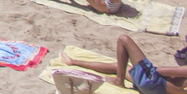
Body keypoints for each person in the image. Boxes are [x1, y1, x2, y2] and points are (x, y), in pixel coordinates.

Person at [59, 35, 187, 93]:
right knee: (119, 67)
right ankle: (73, 61)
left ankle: (119, 80)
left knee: (123, 39)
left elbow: (163, 71)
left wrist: (145, 68)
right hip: (154, 89)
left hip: (151, 82)